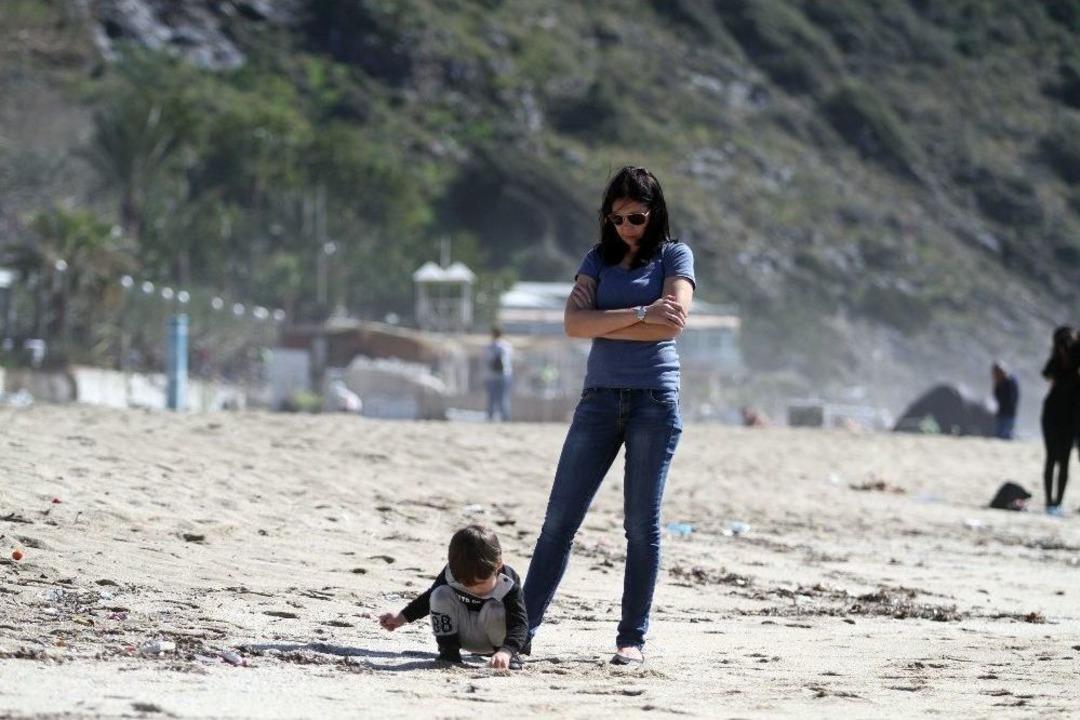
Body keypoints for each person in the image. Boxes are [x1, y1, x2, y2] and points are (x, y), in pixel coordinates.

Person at [523, 166, 695, 666]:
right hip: (598, 399)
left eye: (635, 217)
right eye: (616, 218)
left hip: (653, 401)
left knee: (640, 526)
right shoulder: (596, 258)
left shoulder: (675, 255)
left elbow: (672, 325)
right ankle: (522, 629)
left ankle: (631, 639)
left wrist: (606, 320)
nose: (626, 227)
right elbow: (574, 325)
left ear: (654, 213)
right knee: (559, 520)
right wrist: (642, 313)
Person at [378, 525, 527, 670]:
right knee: (439, 594)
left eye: (481, 583)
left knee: (494, 607)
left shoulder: (507, 583)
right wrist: (401, 617)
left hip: (497, 641)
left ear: (498, 564)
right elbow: (427, 600)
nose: (474, 589)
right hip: (462, 636)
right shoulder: (452, 574)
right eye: (466, 584)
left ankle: (507, 657)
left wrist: (507, 651)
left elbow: (519, 623)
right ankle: (448, 652)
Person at [1040, 326, 1078, 516]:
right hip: (1054, 415)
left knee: (1062, 460)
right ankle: (1050, 502)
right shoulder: (1056, 362)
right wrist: (1061, 354)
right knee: (1053, 459)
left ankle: (1057, 503)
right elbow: (1046, 374)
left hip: (1069, 417)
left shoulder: (1076, 361)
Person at [484, 326, 513, 421]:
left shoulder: (489, 346)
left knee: (492, 397)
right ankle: (505, 417)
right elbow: (509, 360)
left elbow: (486, 360)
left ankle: (490, 417)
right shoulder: (507, 345)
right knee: (504, 397)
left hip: (491, 375)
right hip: (505, 374)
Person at [991, 361, 1019, 440]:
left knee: (1006, 436)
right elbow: (997, 398)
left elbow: (1012, 399)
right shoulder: (999, 384)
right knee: (999, 436)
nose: (996, 375)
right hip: (1002, 414)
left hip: (1009, 414)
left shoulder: (1010, 382)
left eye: (997, 372)